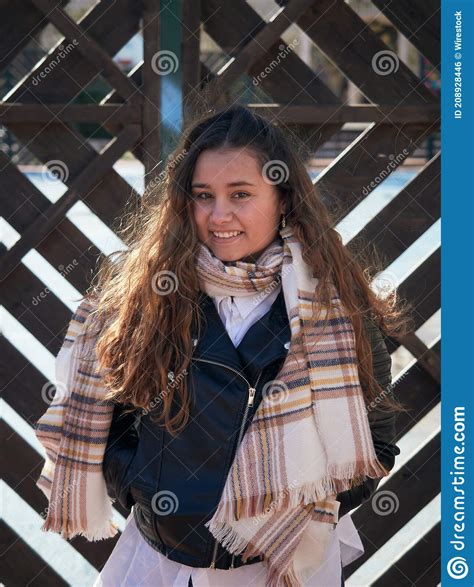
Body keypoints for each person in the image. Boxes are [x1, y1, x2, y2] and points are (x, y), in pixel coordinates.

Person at [35, 105, 408, 586]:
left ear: (283, 198)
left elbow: (374, 440)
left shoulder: (338, 308)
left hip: (288, 565)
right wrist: (146, 491)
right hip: (161, 564)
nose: (219, 215)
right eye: (203, 195)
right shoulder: (149, 295)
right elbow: (111, 418)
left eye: (241, 194)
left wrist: (299, 509)